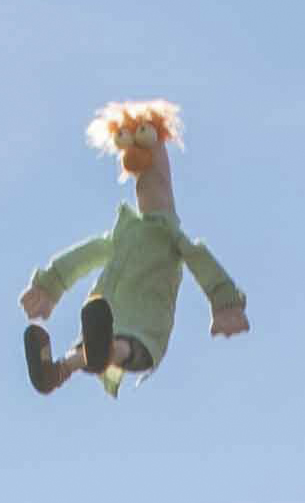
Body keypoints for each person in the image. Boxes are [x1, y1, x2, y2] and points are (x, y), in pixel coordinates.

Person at [18, 97, 249, 397]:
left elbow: (201, 262)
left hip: (145, 325)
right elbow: (85, 256)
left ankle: (98, 352)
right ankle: (55, 371)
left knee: (120, 344)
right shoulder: (125, 233)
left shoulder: (170, 236)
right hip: (106, 314)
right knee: (93, 345)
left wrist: (225, 303)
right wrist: (50, 285)